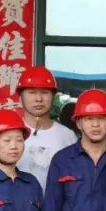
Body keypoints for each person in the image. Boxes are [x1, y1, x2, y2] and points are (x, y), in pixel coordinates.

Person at [16, 66, 76, 195]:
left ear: (53, 97)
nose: (38, 99)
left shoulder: (68, 136)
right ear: (20, 98)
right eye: (32, 92)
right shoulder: (8, 133)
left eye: (44, 92)